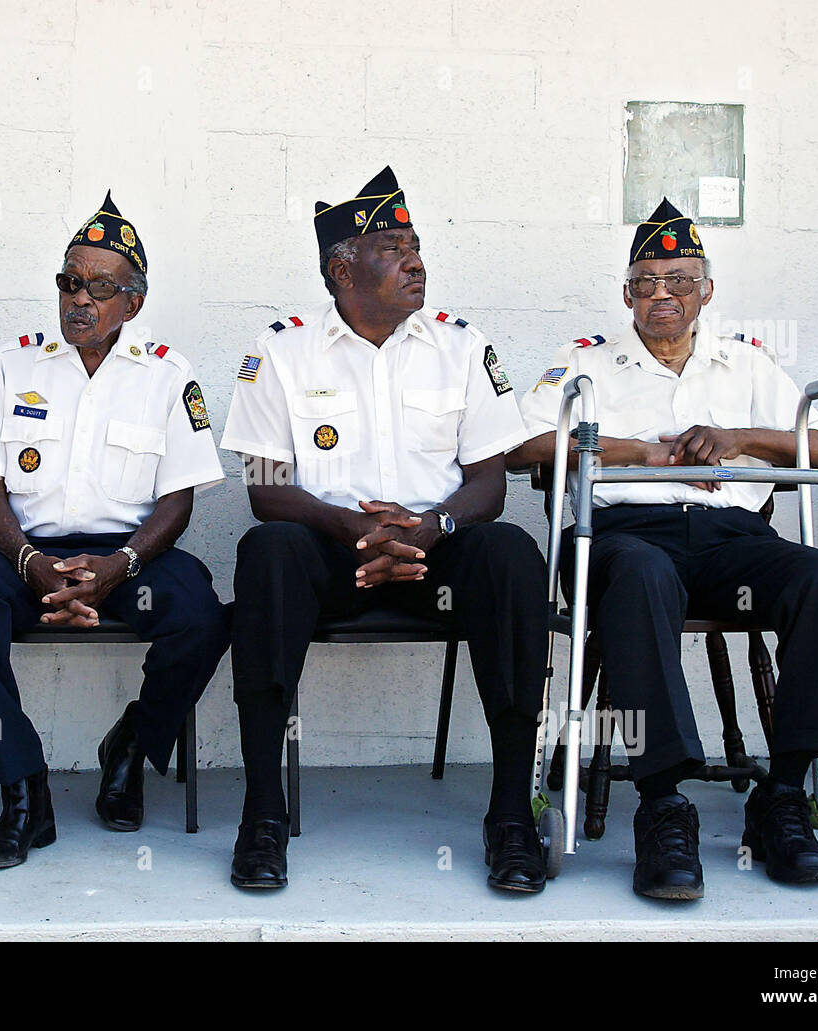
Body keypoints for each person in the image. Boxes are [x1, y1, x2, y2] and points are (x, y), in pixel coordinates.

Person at [510, 198, 818, 900]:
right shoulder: (585, 364)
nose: (661, 293)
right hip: (625, 540)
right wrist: (636, 452)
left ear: (707, 289)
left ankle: (783, 797)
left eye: (679, 278)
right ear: (626, 294)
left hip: (732, 540)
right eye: (646, 281)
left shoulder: (747, 365)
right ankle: (664, 804)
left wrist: (741, 438)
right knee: (641, 574)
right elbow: (522, 446)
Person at [220, 166, 550, 893]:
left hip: (440, 555)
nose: (416, 260)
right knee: (268, 553)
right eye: (393, 246)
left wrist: (433, 525)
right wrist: (348, 526)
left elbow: (490, 483)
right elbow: (266, 488)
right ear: (342, 269)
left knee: (513, 554)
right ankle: (262, 814)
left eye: (417, 244)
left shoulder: (462, 345)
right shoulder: (280, 349)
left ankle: (509, 816)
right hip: (333, 557)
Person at [0, 192, 230, 870]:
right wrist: (29, 559)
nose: (79, 299)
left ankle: (133, 745)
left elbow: (177, 502)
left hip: (131, 560)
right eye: (69, 282)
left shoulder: (168, 377)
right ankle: (24, 791)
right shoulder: (12, 365)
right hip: (21, 555)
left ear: (134, 303)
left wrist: (120, 564)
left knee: (204, 616)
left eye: (99, 286)